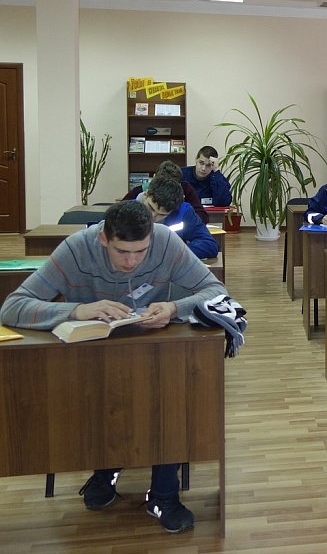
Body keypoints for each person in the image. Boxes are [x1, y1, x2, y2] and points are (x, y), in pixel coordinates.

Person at [0, 200, 228, 534]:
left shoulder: (164, 240)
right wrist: (75, 311)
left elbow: (216, 291)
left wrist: (173, 307)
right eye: (122, 252)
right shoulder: (77, 249)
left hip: (154, 355)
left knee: (172, 395)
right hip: (92, 359)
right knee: (96, 398)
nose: (132, 261)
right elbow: (12, 307)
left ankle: (164, 495)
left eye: (141, 252)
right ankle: (105, 469)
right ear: (104, 238)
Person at [138, 177, 219, 259]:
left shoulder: (183, 212)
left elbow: (209, 245)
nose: (153, 216)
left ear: (173, 210)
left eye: (161, 215)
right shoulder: (130, 210)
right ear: (145, 195)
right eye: (150, 208)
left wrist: (172, 251)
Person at [121, 160, 209, 224]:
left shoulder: (185, 188)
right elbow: (119, 213)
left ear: (179, 184)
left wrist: (186, 222)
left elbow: (202, 216)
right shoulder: (138, 191)